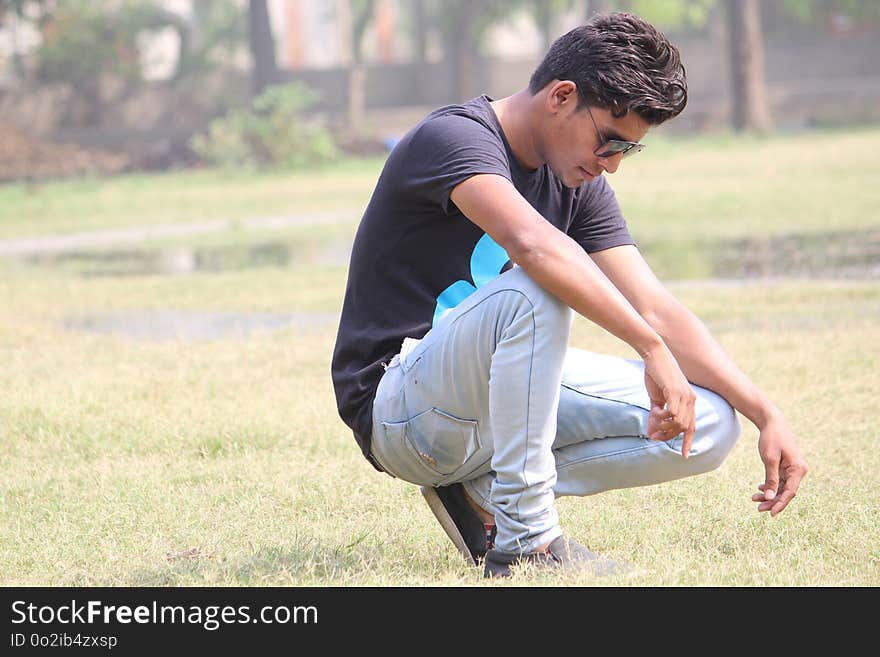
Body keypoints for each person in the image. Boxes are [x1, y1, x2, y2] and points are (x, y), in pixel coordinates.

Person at [331, 11, 808, 578]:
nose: (611, 165)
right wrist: (651, 350)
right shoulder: (454, 138)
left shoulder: (578, 180)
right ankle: (527, 542)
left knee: (707, 424)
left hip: (487, 404)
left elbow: (654, 307)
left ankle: (484, 493)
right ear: (561, 96)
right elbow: (534, 247)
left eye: (626, 152)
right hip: (400, 408)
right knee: (537, 286)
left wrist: (765, 413)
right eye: (609, 141)